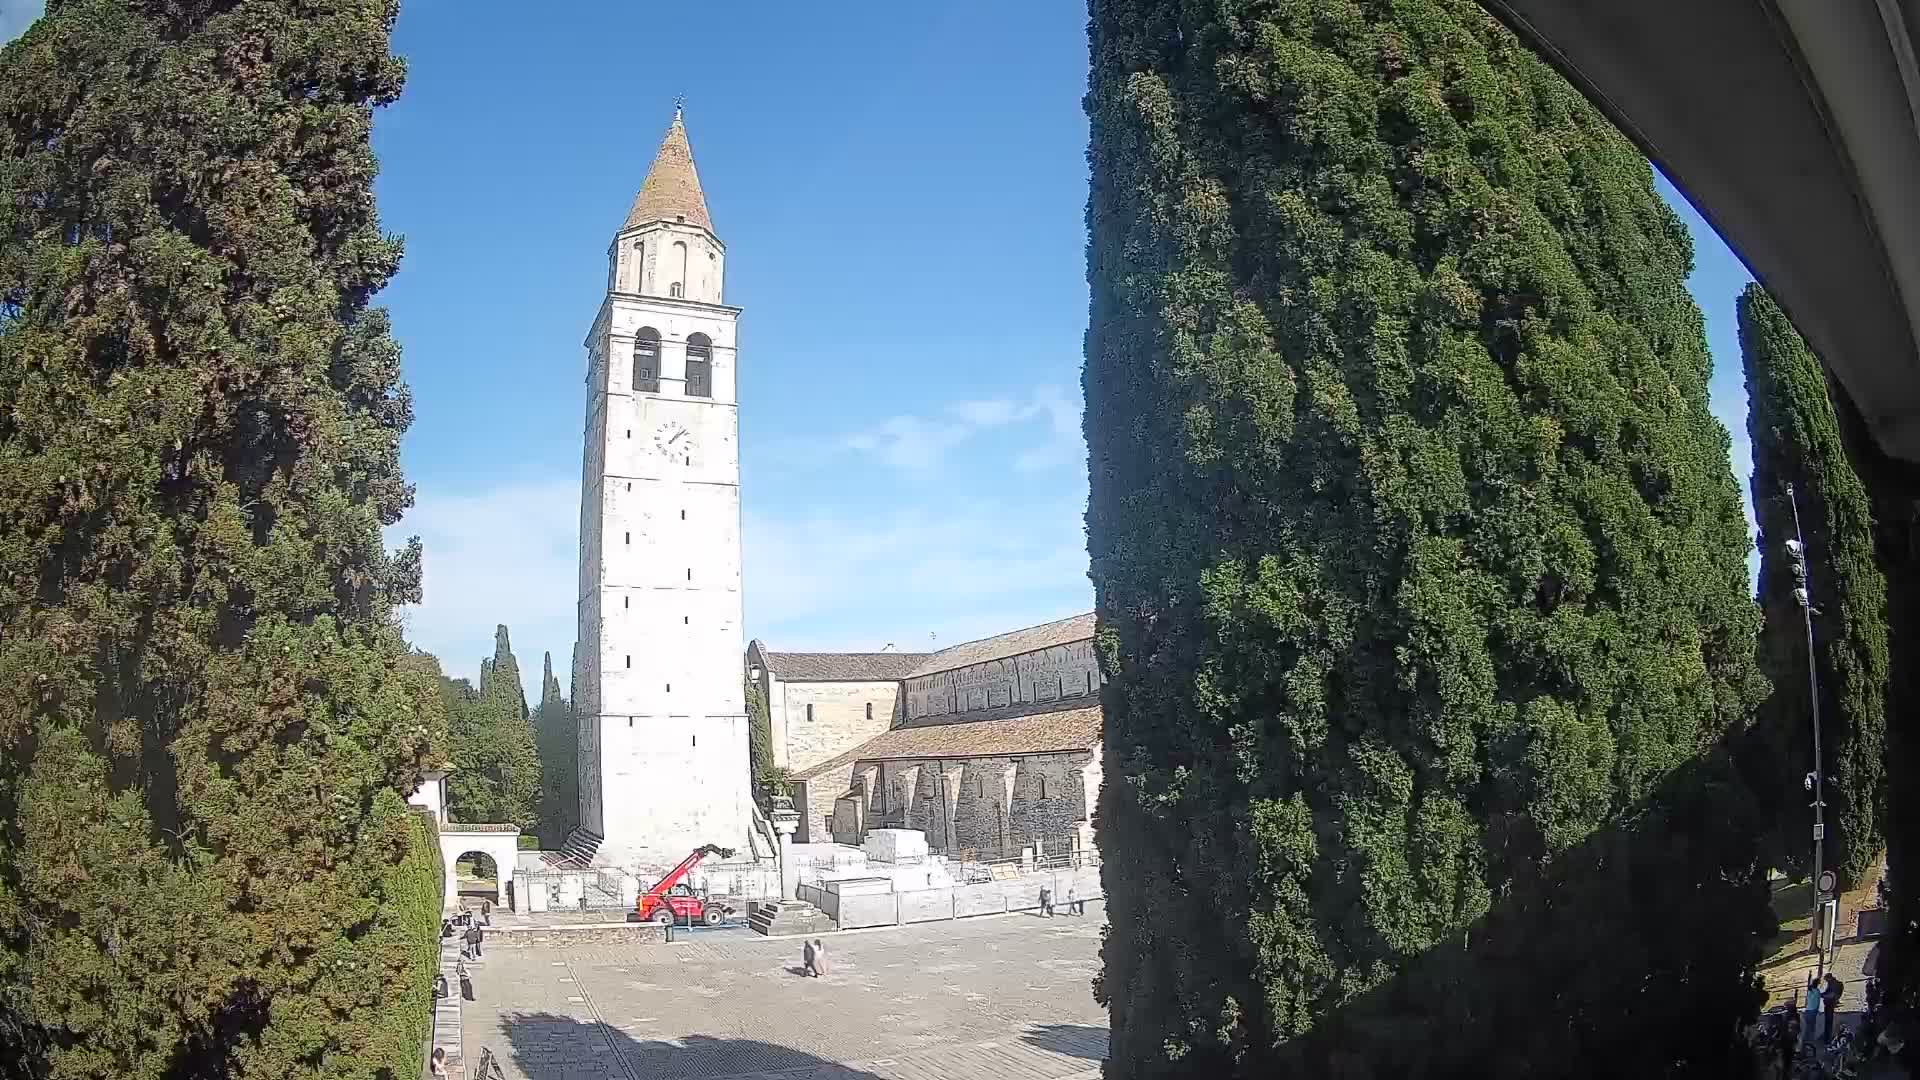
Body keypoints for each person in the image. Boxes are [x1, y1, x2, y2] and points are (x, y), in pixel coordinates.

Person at [1822, 972, 1845, 1042]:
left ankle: (1827, 1038)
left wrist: (1822, 995)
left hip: (1830, 1005)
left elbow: (1832, 995)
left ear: (1829, 978)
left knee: (1828, 1022)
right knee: (1828, 1022)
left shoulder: (1834, 984)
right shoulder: (1832, 983)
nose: (1826, 981)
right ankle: (1827, 1037)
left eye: (1826, 979)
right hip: (1829, 1004)